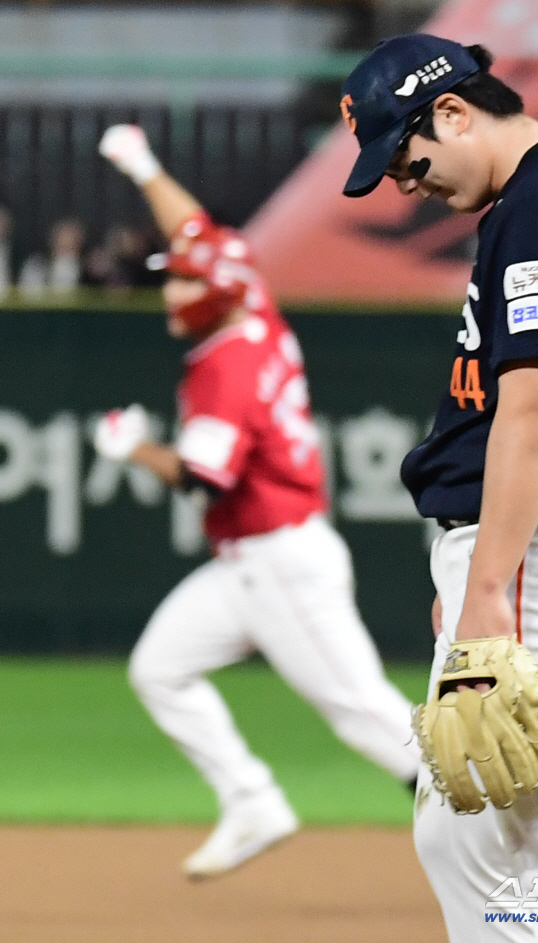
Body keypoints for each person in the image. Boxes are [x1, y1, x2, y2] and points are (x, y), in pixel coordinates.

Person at [341, 34, 538, 942]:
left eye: (405, 158)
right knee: (468, 841)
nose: (405, 184)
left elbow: (534, 412)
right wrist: (474, 576)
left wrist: (488, 590)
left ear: (452, 111)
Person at [94, 125, 421, 880]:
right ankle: (251, 799)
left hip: (282, 562)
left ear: (211, 291)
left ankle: (496, 829)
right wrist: (145, 166)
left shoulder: (227, 367)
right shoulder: (252, 307)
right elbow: (195, 232)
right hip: (250, 563)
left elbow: (204, 475)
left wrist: (131, 450)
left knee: (368, 716)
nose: (169, 288)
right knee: (160, 668)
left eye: (180, 280)